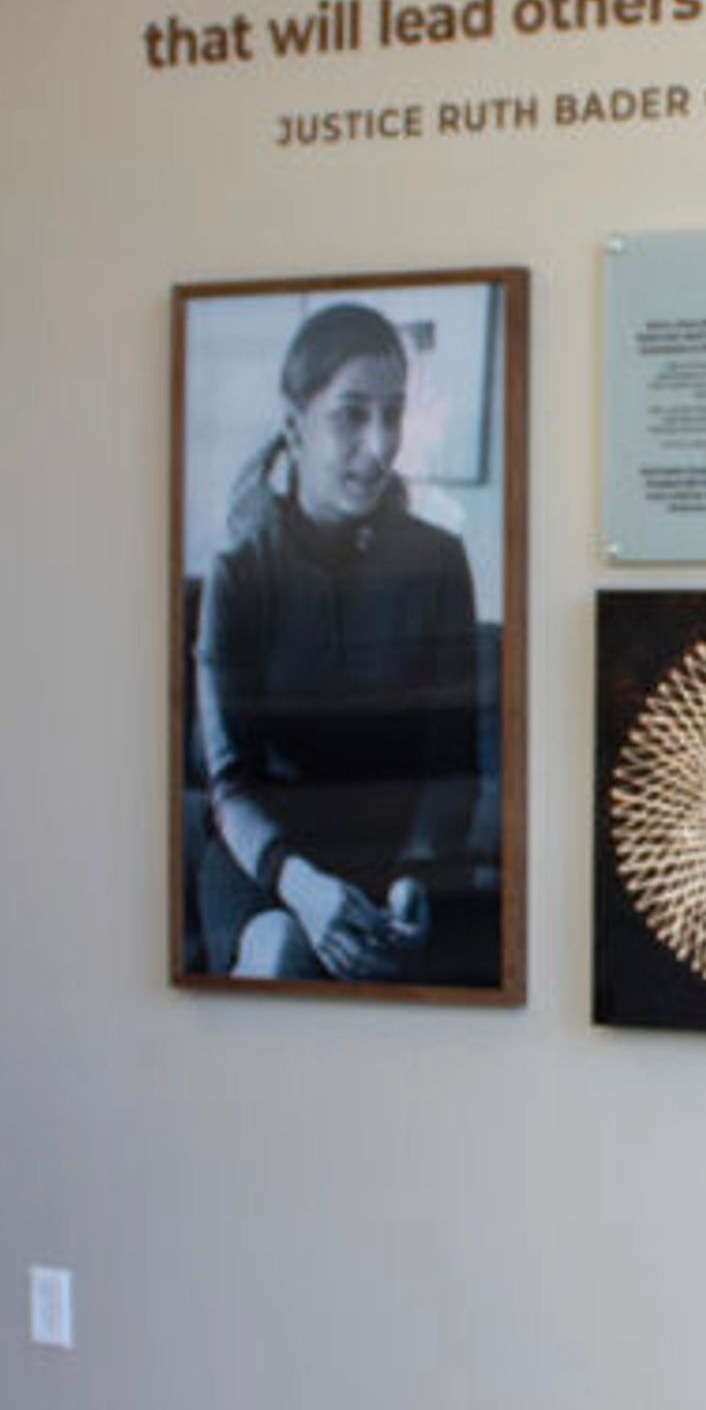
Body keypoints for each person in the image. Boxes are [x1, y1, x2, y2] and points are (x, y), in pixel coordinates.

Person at [193, 301, 487, 982]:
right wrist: (298, 882)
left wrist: (416, 875)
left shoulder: (439, 559)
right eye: (352, 414)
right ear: (295, 426)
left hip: (396, 863)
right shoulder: (240, 570)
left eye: (394, 412)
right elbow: (230, 784)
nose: (381, 444)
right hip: (263, 861)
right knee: (279, 955)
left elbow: (452, 764)